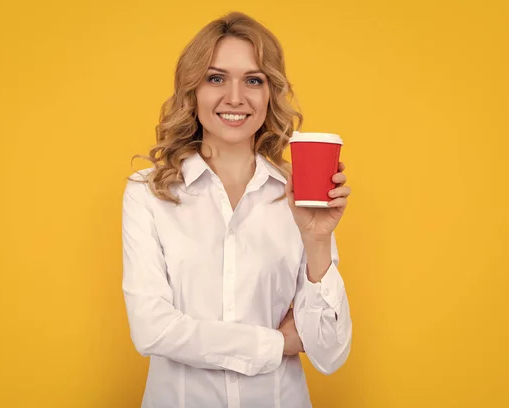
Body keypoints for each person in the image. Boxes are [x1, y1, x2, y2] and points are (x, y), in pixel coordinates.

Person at [122, 11, 353, 408]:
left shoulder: (298, 195)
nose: (235, 97)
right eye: (216, 78)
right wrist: (278, 342)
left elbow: (329, 354)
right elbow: (152, 330)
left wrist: (318, 241)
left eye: (253, 80)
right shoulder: (148, 194)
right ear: (192, 90)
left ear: (269, 93)